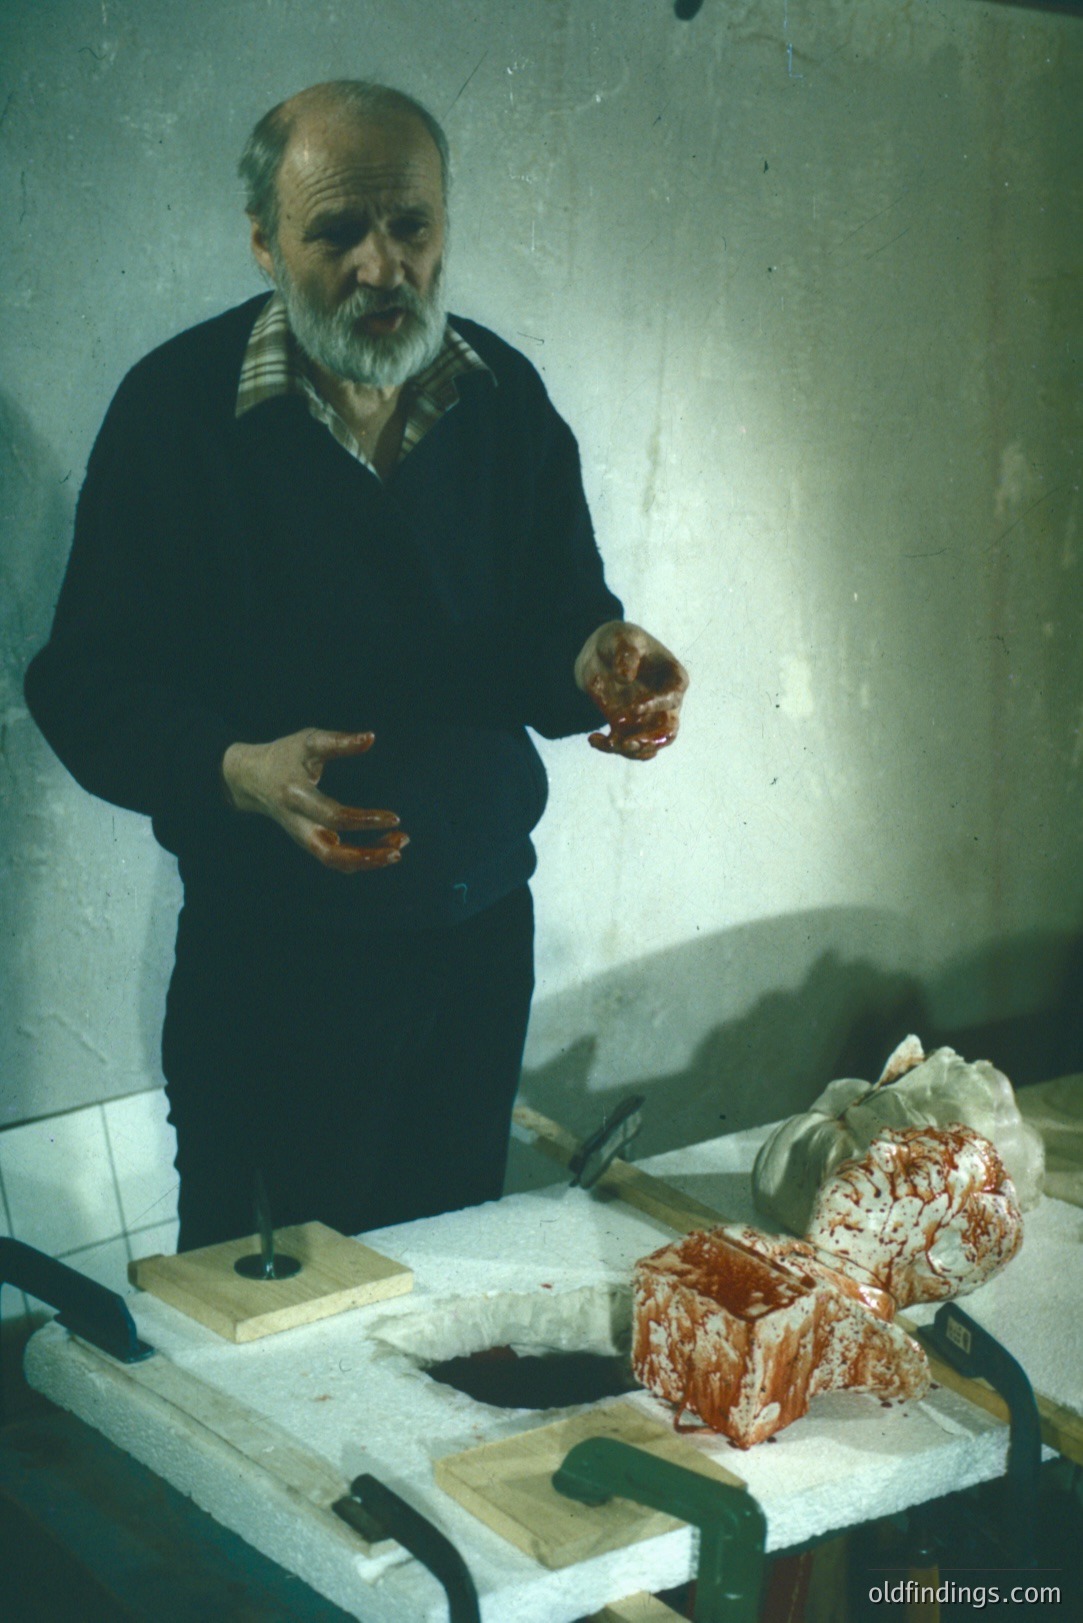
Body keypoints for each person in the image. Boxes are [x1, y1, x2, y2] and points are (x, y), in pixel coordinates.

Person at [24, 81, 688, 1252]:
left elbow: (555, 623)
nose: (383, 269)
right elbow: (83, 683)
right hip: (273, 967)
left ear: (443, 227)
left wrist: (600, 658)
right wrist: (238, 769)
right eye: (337, 232)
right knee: (269, 1331)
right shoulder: (177, 412)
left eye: (411, 228)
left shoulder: (503, 396)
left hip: (478, 948)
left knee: (446, 1302)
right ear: (265, 242)